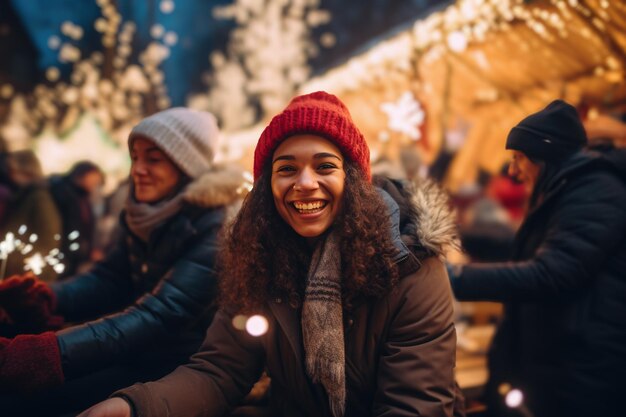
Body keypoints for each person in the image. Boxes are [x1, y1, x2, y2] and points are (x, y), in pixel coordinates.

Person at [79, 91, 462, 417]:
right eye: (286, 169)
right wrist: (133, 406)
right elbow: (220, 370)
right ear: (269, 186)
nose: (305, 183)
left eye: (325, 166)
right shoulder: (259, 259)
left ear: (354, 181)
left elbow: (414, 405)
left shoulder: (410, 267)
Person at [0, 107, 249, 416]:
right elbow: (109, 279)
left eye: (153, 159)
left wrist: (53, 353)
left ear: (186, 165)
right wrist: (49, 297)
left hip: (182, 369)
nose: (138, 169)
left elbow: (163, 313)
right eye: (135, 157)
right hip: (138, 351)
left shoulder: (218, 224)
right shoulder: (146, 213)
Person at [447, 100, 626, 417]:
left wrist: (454, 278)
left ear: (546, 157)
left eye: (518, 158)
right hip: (559, 370)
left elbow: (552, 273)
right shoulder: (566, 191)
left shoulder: (596, 190)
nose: (513, 171)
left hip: (582, 377)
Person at [0, 149, 63, 282]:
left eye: (12, 170)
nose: (10, 174)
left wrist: (25, 266)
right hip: (17, 269)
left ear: (26, 170)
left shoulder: (39, 197)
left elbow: (49, 238)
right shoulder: (25, 195)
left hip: (25, 274)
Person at [48, 160, 105, 278]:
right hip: (64, 253)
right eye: (94, 180)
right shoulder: (64, 193)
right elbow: (70, 226)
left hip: (74, 254)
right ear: (83, 175)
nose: (95, 184)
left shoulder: (83, 196)